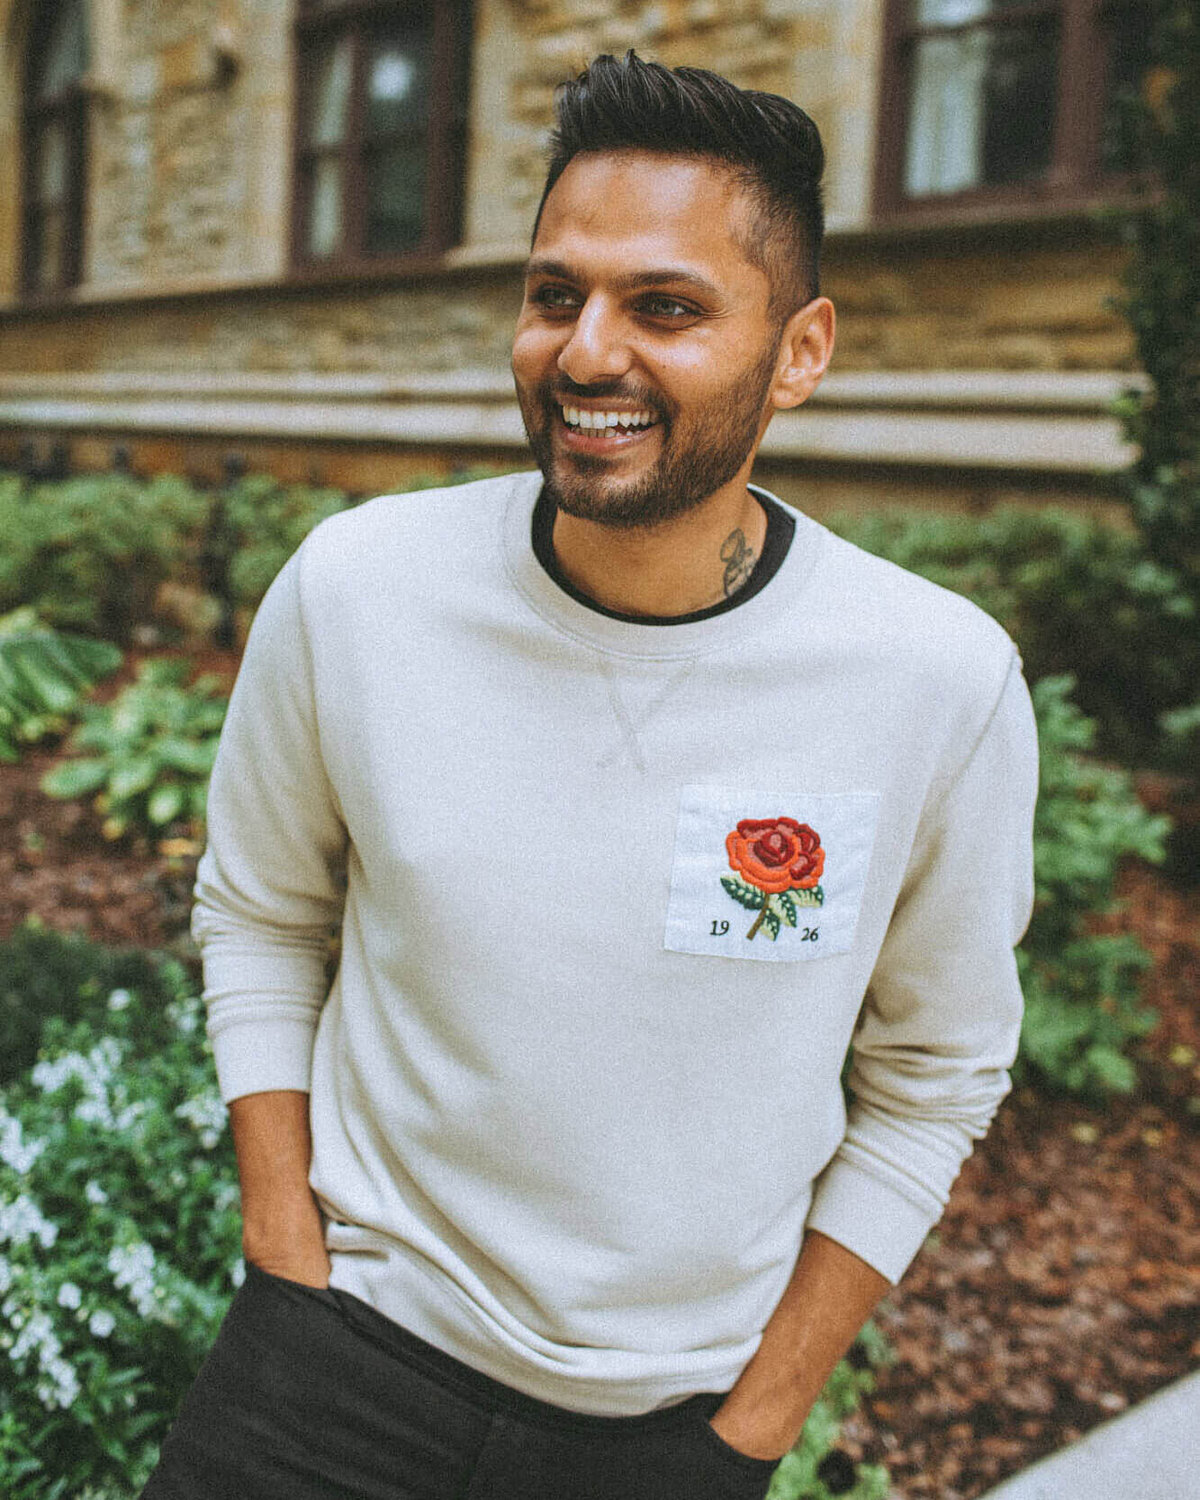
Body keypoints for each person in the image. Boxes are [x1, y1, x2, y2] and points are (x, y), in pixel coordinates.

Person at [142, 51, 1037, 1500]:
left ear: (799, 351)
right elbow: (260, 914)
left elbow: (935, 1077)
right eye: (556, 295)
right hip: (329, 1370)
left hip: (665, 1440)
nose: (585, 353)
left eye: (665, 308)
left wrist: (755, 1426)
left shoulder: (934, 679)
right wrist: (283, 1250)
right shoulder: (361, 590)